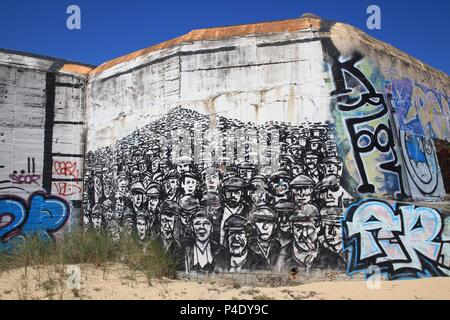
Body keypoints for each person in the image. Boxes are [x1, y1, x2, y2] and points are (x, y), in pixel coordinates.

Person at [276, 204, 345, 272]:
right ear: (291, 228)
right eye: (298, 228)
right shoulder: (282, 257)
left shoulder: (333, 259)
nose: (304, 234)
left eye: (309, 228)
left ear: (318, 228)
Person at [217, 176, 250, 246]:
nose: (232, 195)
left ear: (242, 194)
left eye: (236, 192)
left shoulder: (248, 211)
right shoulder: (218, 211)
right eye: (229, 192)